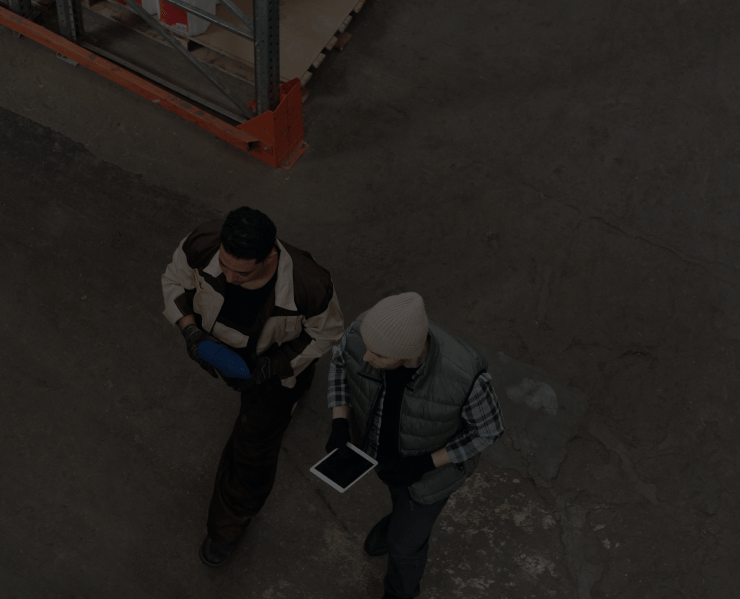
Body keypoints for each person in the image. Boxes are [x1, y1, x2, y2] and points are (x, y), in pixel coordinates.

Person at [161, 207, 345, 567]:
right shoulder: (203, 243)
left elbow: (326, 333)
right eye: (224, 266)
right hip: (218, 345)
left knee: (252, 452)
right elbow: (173, 280)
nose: (228, 277)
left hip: (271, 368)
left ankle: (227, 527)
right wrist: (189, 330)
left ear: (270, 257)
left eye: (241, 272)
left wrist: (272, 368)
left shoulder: (310, 285)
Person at [324, 292, 505, 599]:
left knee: (404, 550)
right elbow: (341, 362)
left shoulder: (464, 375)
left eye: (377, 355)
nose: (367, 357)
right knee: (397, 496)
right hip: (384, 458)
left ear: (408, 354)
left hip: (428, 477)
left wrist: (424, 464)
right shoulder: (365, 333)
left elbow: (488, 431)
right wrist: (340, 420)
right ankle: (398, 520)